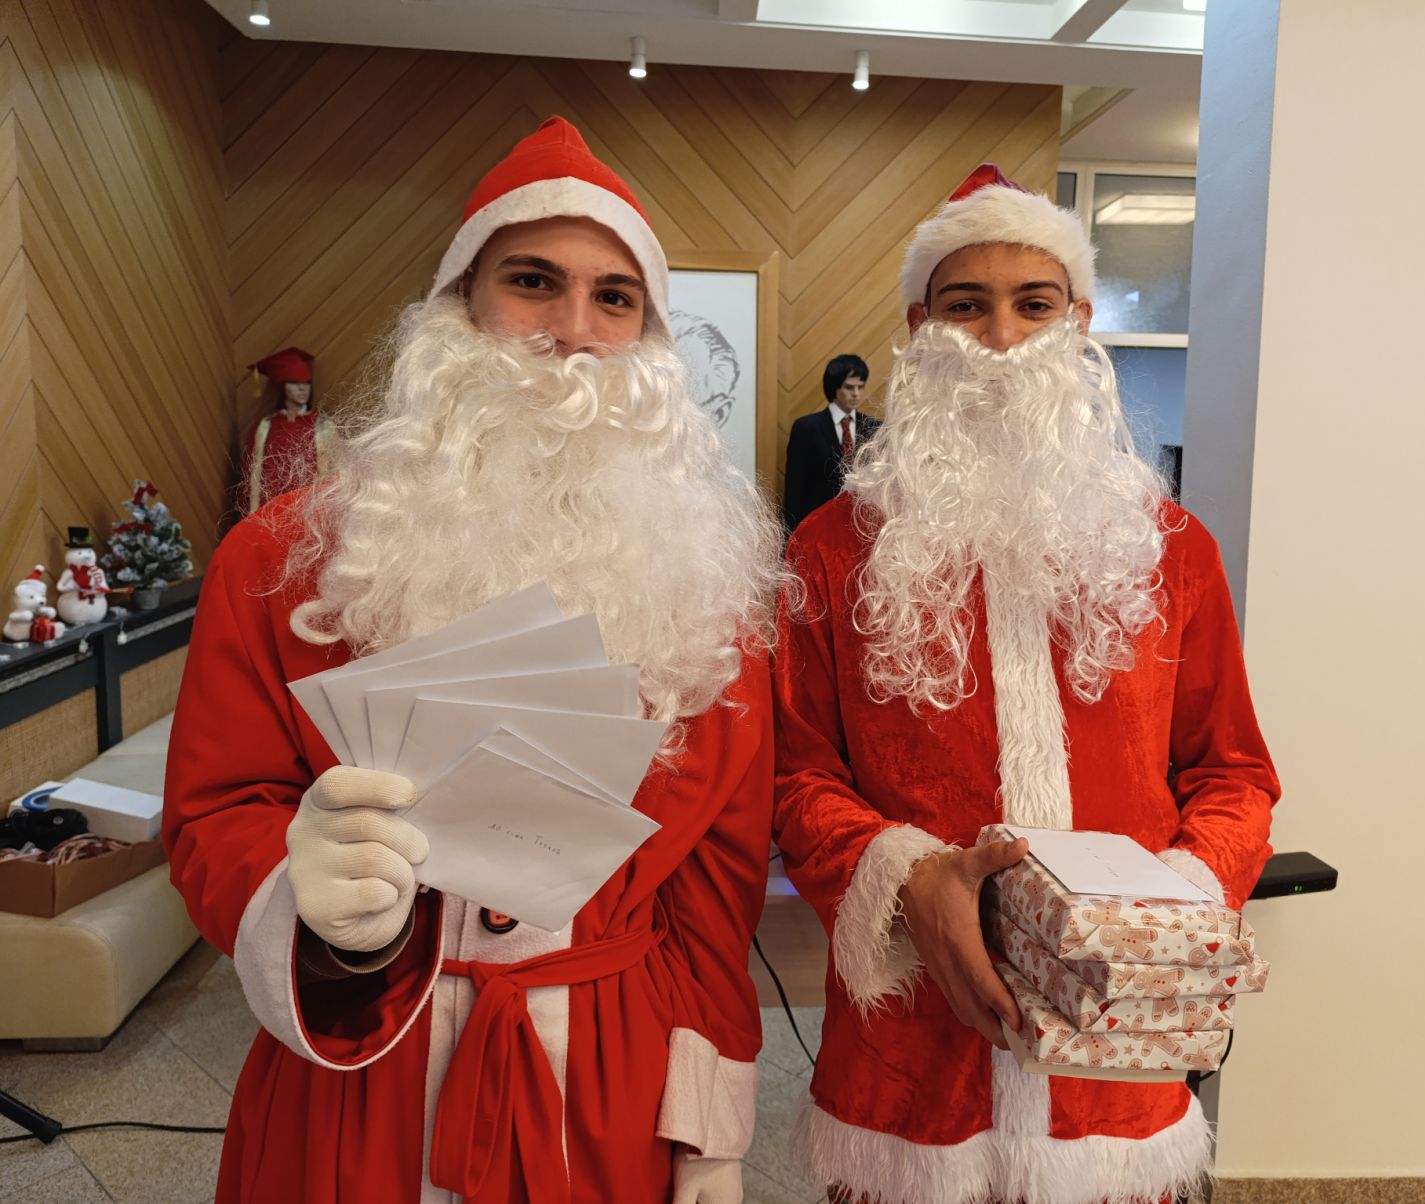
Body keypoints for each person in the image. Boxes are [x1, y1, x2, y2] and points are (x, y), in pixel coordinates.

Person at [164, 116, 787, 1204]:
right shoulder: (280, 561)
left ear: (647, 340)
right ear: (458, 307)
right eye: (533, 282)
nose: (573, 332)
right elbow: (217, 810)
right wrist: (302, 893)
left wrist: (710, 1129)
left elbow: (713, 891)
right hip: (360, 1064)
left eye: (614, 298)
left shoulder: (705, 592)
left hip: (606, 1077)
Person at [771, 164, 1280, 1204]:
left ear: (1078, 323)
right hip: (913, 1052)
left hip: (1114, 1052)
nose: (1001, 336)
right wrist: (906, 878)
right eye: (965, 305)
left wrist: (1166, 908)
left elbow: (1233, 774)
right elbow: (794, 775)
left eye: (1034, 304)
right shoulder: (830, 550)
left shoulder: (1170, 549)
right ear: (918, 329)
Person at [782, 354, 878, 532]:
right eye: (849, 387)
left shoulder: (874, 427)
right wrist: (791, 536)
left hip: (862, 527)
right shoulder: (807, 428)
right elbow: (795, 489)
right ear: (834, 387)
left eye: (860, 387)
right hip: (817, 526)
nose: (856, 394)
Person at [238, 345, 336, 516]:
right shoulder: (264, 429)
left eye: (305, 384)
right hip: (271, 512)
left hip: (311, 511)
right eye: (295, 384)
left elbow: (336, 473)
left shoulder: (324, 428)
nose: (302, 389)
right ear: (282, 388)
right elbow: (251, 477)